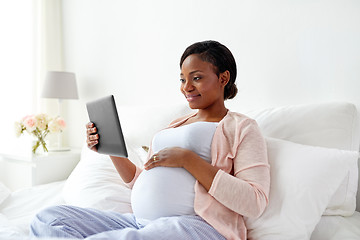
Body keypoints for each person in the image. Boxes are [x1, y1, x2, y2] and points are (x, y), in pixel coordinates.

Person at [30, 40, 270, 240]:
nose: (186, 87)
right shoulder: (175, 125)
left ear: (223, 78)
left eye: (196, 78)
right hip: (140, 223)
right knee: (48, 218)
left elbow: (255, 202)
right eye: (182, 79)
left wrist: (188, 160)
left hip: (196, 226)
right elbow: (141, 180)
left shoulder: (241, 127)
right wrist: (109, 148)